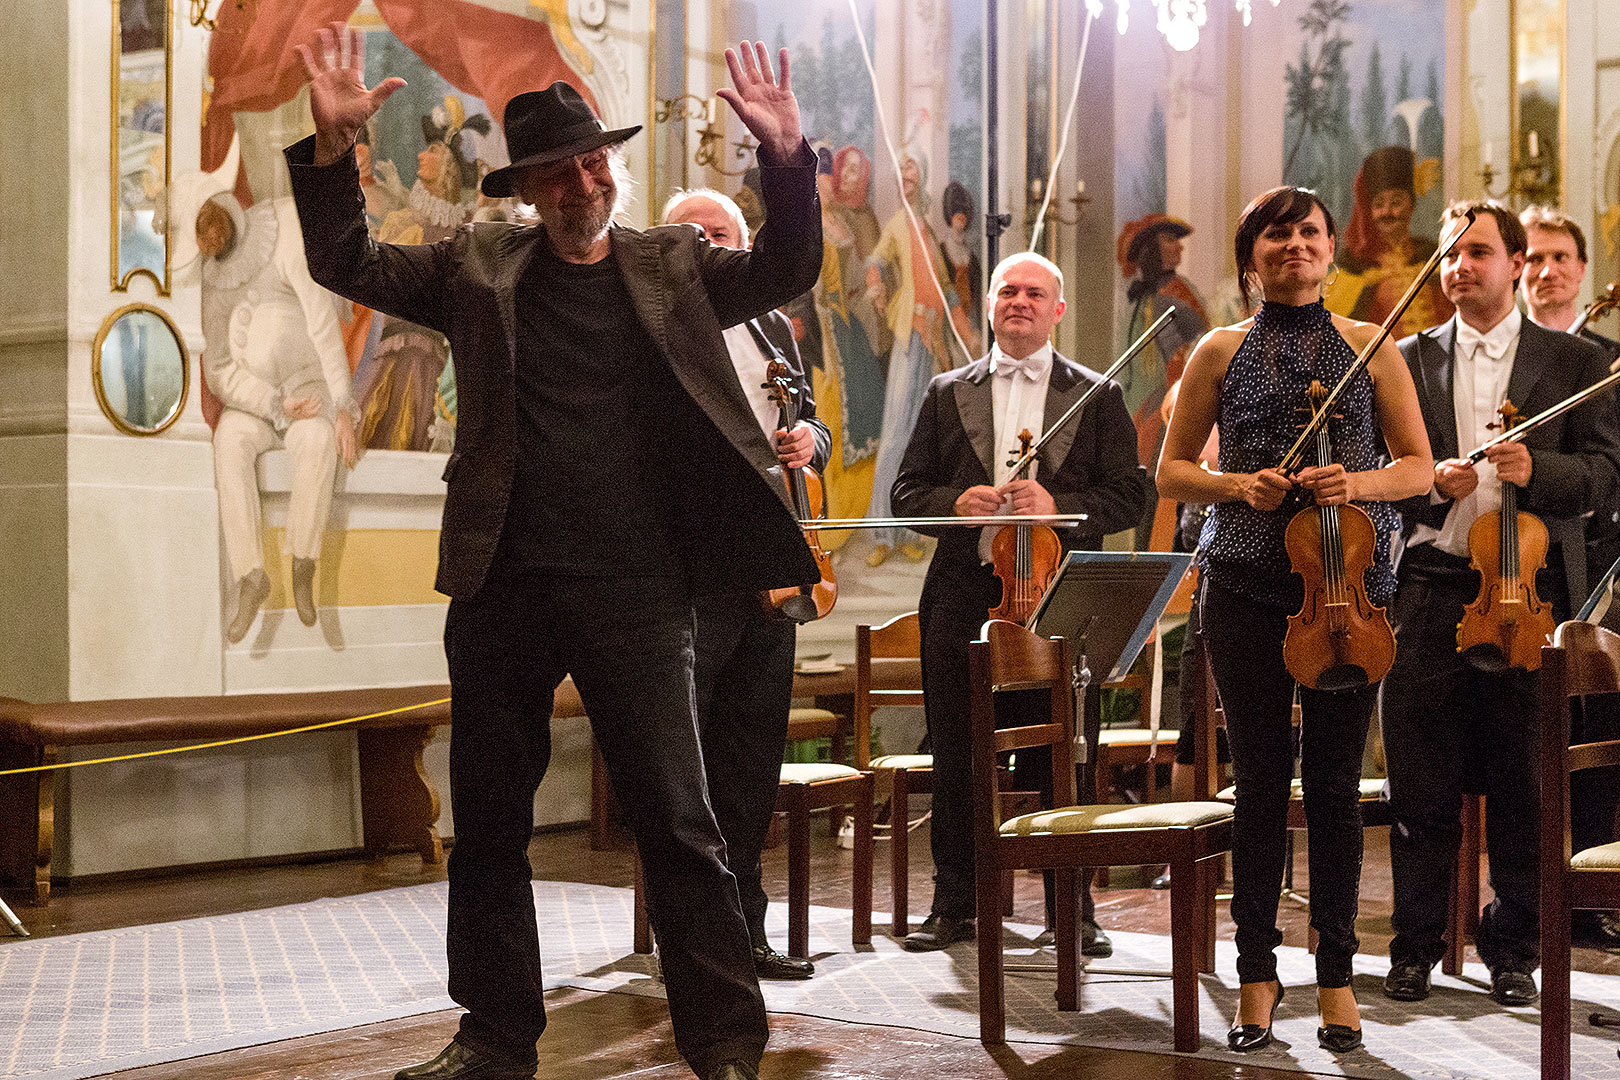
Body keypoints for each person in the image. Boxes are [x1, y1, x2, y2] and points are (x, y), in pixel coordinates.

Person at [288, 27, 822, 1080]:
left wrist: (787, 157)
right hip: (505, 583)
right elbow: (344, 259)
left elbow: (788, 265)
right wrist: (332, 147)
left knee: (678, 818)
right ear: (528, 188)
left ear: (613, 169)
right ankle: (494, 1038)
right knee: (490, 822)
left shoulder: (671, 262)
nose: (584, 181)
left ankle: (723, 1042)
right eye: (560, 171)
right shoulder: (477, 264)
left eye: (596, 162)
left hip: (639, 587)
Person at [1157, 186, 1433, 1053]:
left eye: (1310, 232)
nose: (1296, 245)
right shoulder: (1218, 349)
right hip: (1241, 587)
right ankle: (1255, 975)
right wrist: (1239, 485)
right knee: (1262, 789)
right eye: (1277, 235)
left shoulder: (1368, 347)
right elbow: (1170, 473)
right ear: (1252, 257)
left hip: (1351, 593)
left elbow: (1419, 467)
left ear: (1328, 251)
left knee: (1337, 791)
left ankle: (1340, 978)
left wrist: (1358, 483)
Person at [1381, 200, 1620, 1010]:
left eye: (1478, 252)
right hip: (1430, 587)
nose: (1460, 267)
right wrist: (1426, 483)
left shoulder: (1576, 360)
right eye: (1449, 254)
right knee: (1419, 780)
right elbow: (1379, 481)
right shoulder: (1406, 361)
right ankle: (1414, 947)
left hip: (1528, 595)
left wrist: (1534, 473)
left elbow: (1603, 477)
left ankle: (1512, 947)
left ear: (1516, 262)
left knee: (1524, 779)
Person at [890, 252, 1147, 954]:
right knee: (957, 752)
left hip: (1060, 600)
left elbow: (1131, 495)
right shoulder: (948, 391)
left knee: (1064, 756)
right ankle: (957, 904)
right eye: (1007, 290)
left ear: (1057, 310)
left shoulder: (1098, 394)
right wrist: (956, 504)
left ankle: (1072, 911)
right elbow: (906, 494)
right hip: (964, 595)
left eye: (1035, 293)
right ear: (993, 305)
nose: (1020, 301)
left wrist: (1060, 505)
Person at [661, 187, 830, 980]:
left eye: (721, 233)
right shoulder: (654, 322)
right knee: (685, 773)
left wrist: (811, 440)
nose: (707, 243)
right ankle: (689, 941)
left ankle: (748, 932)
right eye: (692, 233)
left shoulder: (770, 323)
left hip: (768, 574)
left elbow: (811, 421)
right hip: (689, 575)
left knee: (749, 762)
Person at [1519, 205, 1620, 950]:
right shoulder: (1496, 361)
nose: (1546, 271)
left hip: (1598, 568)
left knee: (1600, 734)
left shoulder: (1604, 364)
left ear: (1582, 271)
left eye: (1560, 258)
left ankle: (1590, 892)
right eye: (1533, 259)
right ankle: (1531, 902)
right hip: (1517, 577)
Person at [196, 191, 360, 641]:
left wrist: (342, 405)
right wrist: (269, 401)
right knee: (228, 441)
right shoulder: (213, 279)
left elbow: (323, 323)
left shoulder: (282, 235)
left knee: (318, 442)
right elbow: (219, 368)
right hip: (260, 403)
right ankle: (251, 575)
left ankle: (304, 562)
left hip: (307, 387)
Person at [864, 148, 978, 567]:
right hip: (911, 335)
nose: (906, 174)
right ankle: (880, 530)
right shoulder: (898, 223)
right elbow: (875, 260)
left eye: (913, 167)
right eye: (903, 169)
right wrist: (876, 287)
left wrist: (970, 336)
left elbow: (946, 292)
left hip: (933, 340)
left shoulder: (927, 229)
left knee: (917, 440)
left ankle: (908, 529)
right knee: (895, 432)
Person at [1325, 145, 1453, 338]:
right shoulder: (1353, 263)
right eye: (1378, 205)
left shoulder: (1431, 254)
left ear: (1411, 205)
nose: (1387, 212)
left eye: (1396, 203)